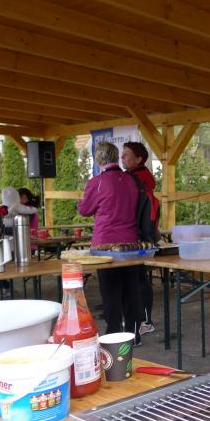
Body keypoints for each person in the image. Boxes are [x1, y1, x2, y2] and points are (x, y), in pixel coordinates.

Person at [78, 141, 145, 345]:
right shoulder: (131, 180)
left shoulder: (97, 182)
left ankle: (114, 334)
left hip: (105, 244)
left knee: (110, 292)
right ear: (116, 157)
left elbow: (84, 210)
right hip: (130, 243)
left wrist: (81, 200)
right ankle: (134, 334)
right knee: (131, 289)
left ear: (98, 159)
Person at [121, 141, 156, 336]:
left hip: (137, 238)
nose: (122, 157)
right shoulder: (139, 178)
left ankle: (143, 321)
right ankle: (140, 320)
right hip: (139, 237)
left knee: (138, 280)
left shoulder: (136, 180)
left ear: (139, 159)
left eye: (126, 154)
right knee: (136, 279)